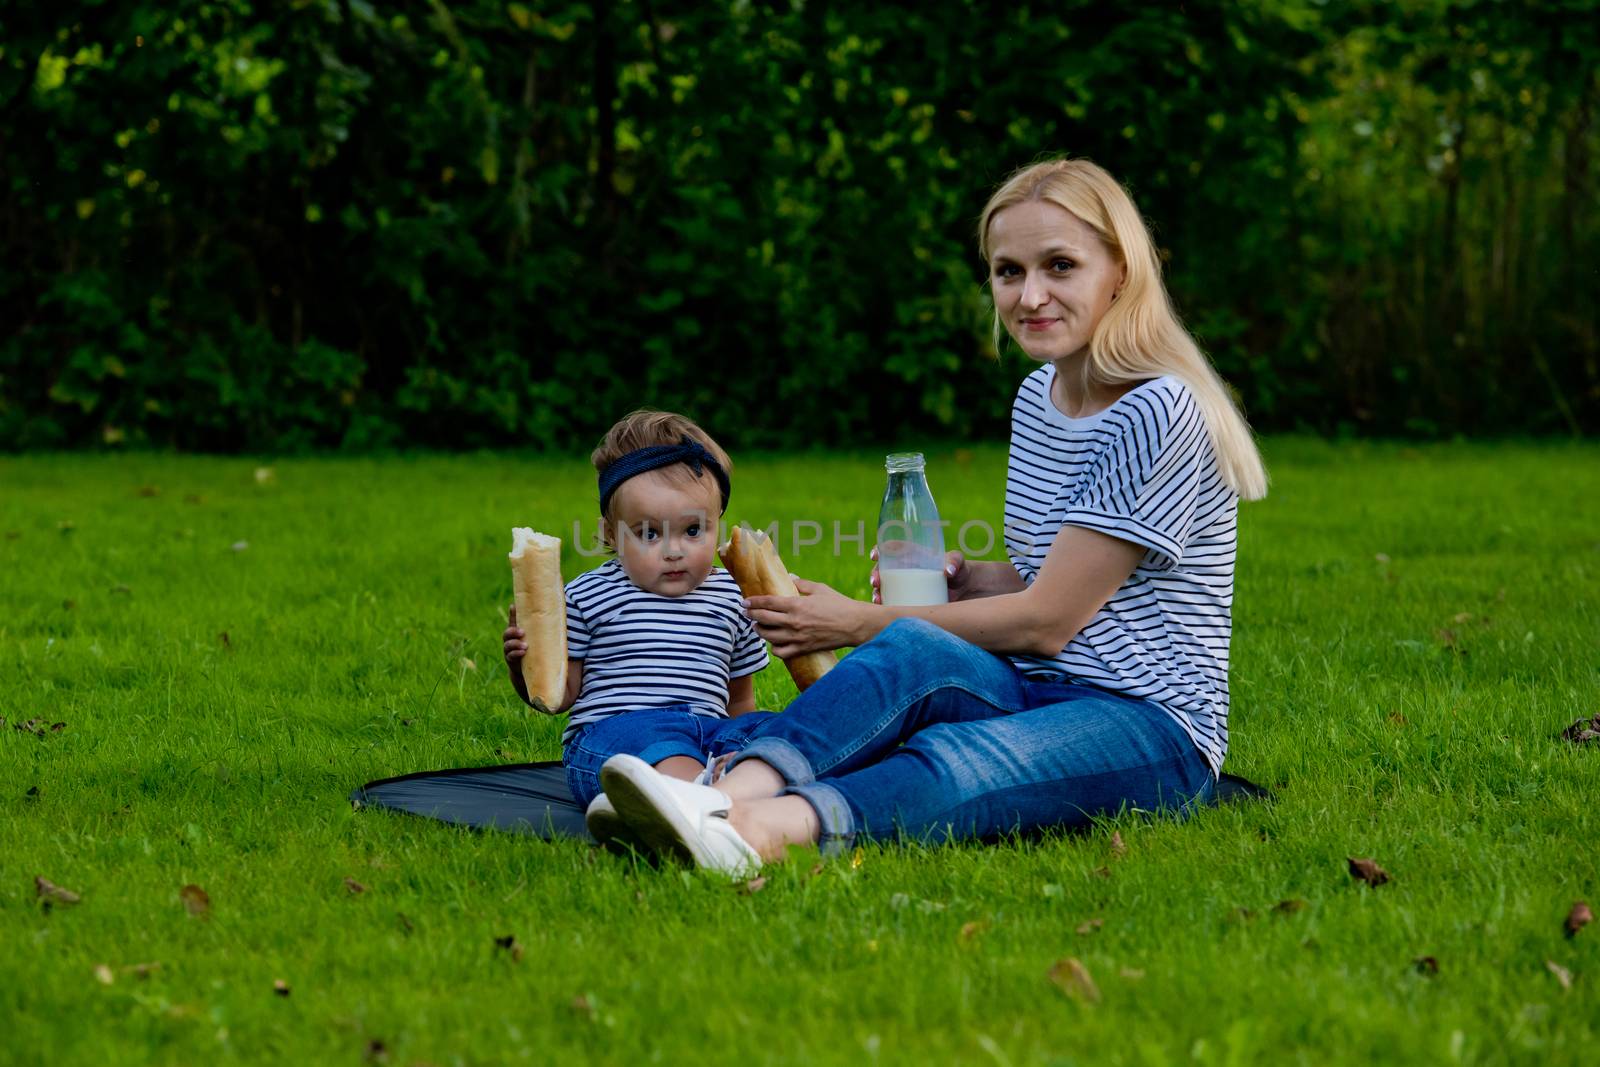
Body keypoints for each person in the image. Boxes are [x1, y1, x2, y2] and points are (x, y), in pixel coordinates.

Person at [589, 158, 1270, 876]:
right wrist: (974, 577)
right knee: (909, 655)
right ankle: (710, 798)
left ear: (1121, 274)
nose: (1030, 294)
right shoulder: (1040, 397)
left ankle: (757, 831)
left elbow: (1050, 618)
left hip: (1151, 728)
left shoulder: (1158, 409)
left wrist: (855, 620)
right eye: (1009, 271)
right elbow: (1064, 570)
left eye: (1060, 266)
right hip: (1032, 686)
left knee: (955, 754)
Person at [501, 410, 772, 839]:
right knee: (657, 740)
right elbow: (560, 697)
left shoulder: (732, 596)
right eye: (649, 534)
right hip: (618, 732)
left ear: (718, 522)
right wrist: (522, 667)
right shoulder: (588, 595)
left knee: (777, 730)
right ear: (610, 534)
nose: (673, 550)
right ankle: (702, 808)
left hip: (709, 731)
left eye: (693, 530)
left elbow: (740, 700)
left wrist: (749, 741)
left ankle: (728, 791)